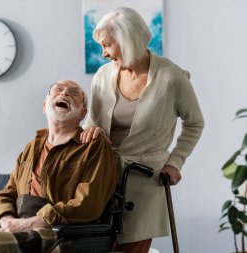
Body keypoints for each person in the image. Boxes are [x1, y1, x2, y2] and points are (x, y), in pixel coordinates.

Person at [80, 7, 205, 253]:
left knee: (132, 248)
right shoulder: (102, 76)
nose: (103, 53)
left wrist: (175, 162)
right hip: (101, 177)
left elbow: (195, 123)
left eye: (107, 45)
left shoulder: (172, 78)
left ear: (127, 41)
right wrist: (92, 130)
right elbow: (92, 121)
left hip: (145, 180)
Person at [0, 80, 117, 232]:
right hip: (12, 228)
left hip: (57, 233)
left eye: (74, 92)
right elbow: (6, 193)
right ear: (44, 106)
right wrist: (7, 221)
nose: (64, 93)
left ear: (82, 113)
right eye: (58, 89)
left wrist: (30, 224)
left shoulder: (93, 145)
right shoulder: (32, 146)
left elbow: (89, 204)